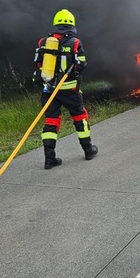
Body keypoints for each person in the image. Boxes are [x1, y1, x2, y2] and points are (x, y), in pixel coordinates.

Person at [33, 9, 98, 169]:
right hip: (69, 90)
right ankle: (88, 150)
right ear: (71, 25)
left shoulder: (43, 42)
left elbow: (37, 62)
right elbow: (82, 63)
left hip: (49, 90)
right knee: (79, 116)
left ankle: (50, 159)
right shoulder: (74, 42)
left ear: (56, 24)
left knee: (51, 120)